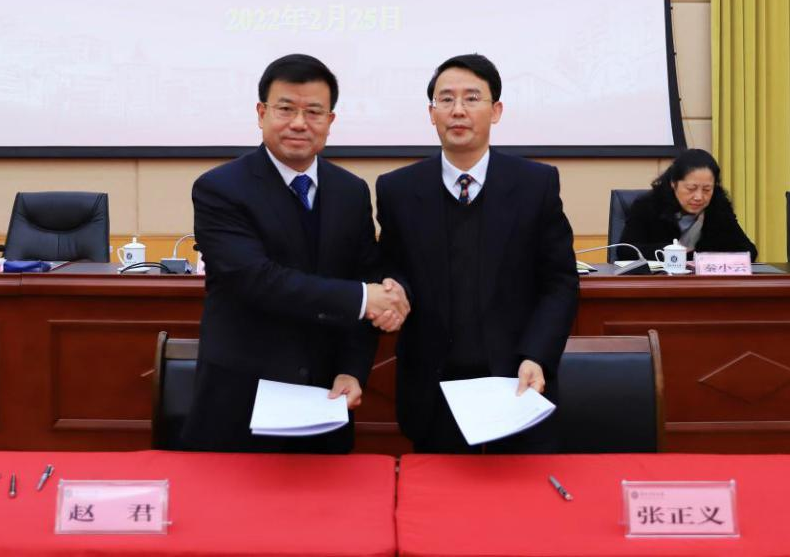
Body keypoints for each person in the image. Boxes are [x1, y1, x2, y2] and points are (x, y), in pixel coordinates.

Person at [182, 54, 409, 453]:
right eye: (286, 109)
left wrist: (352, 370)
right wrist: (365, 298)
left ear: (330, 120)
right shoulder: (220, 189)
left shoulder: (350, 191)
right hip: (241, 400)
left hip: (327, 398)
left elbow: (365, 275)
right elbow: (257, 280)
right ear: (261, 113)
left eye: (314, 112)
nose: (300, 123)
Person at [376, 54, 580, 454]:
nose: (458, 110)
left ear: (496, 110)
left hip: (518, 381)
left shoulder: (535, 184)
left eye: (472, 98)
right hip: (433, 389)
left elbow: (559, 282)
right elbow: (392, 267)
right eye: (446, 99)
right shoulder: (397, 189)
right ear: (432, 114)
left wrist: (537, 355)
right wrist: (393, 290)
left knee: (519, 490)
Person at [621, 148, 758, 261]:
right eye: (691, 188)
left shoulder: (718, 207)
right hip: (658, 282)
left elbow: (748, 252)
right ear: (673, 183)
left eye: (707, 189)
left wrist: (703, 258)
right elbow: (625, 251)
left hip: (705, 283)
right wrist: (673, 251)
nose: (699, 197)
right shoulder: (648, 205)